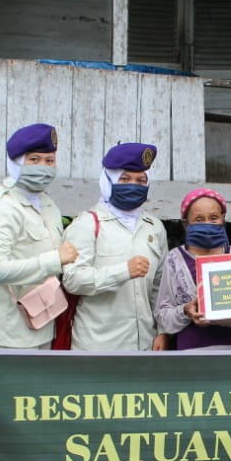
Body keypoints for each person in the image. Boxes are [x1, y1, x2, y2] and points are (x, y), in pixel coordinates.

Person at [0, 123, 77, 348]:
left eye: (49, 161)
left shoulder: (48, 205)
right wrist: (55, 260)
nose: (43, 167)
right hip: (9, 336)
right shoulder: (3, 208)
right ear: (16, 163)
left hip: (43, 324)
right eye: (34, 160)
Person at [62, 142, 168, 350]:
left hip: (144, 346)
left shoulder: (154, 227)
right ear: (107, 181)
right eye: (125, 179)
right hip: (97, 347)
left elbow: (159, 287)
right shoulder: (87, 224)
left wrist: (162, 331)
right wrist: (123, 272)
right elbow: (73, 280)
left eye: (141, 180)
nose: (133, 185)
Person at [155, 187, 231, 350]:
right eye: (199, 219)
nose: (207, 224)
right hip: (193, 354)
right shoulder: (175, 260)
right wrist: (186, 311)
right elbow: (163, 315)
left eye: (214, 218)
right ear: (186, 224)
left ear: (223, 219)